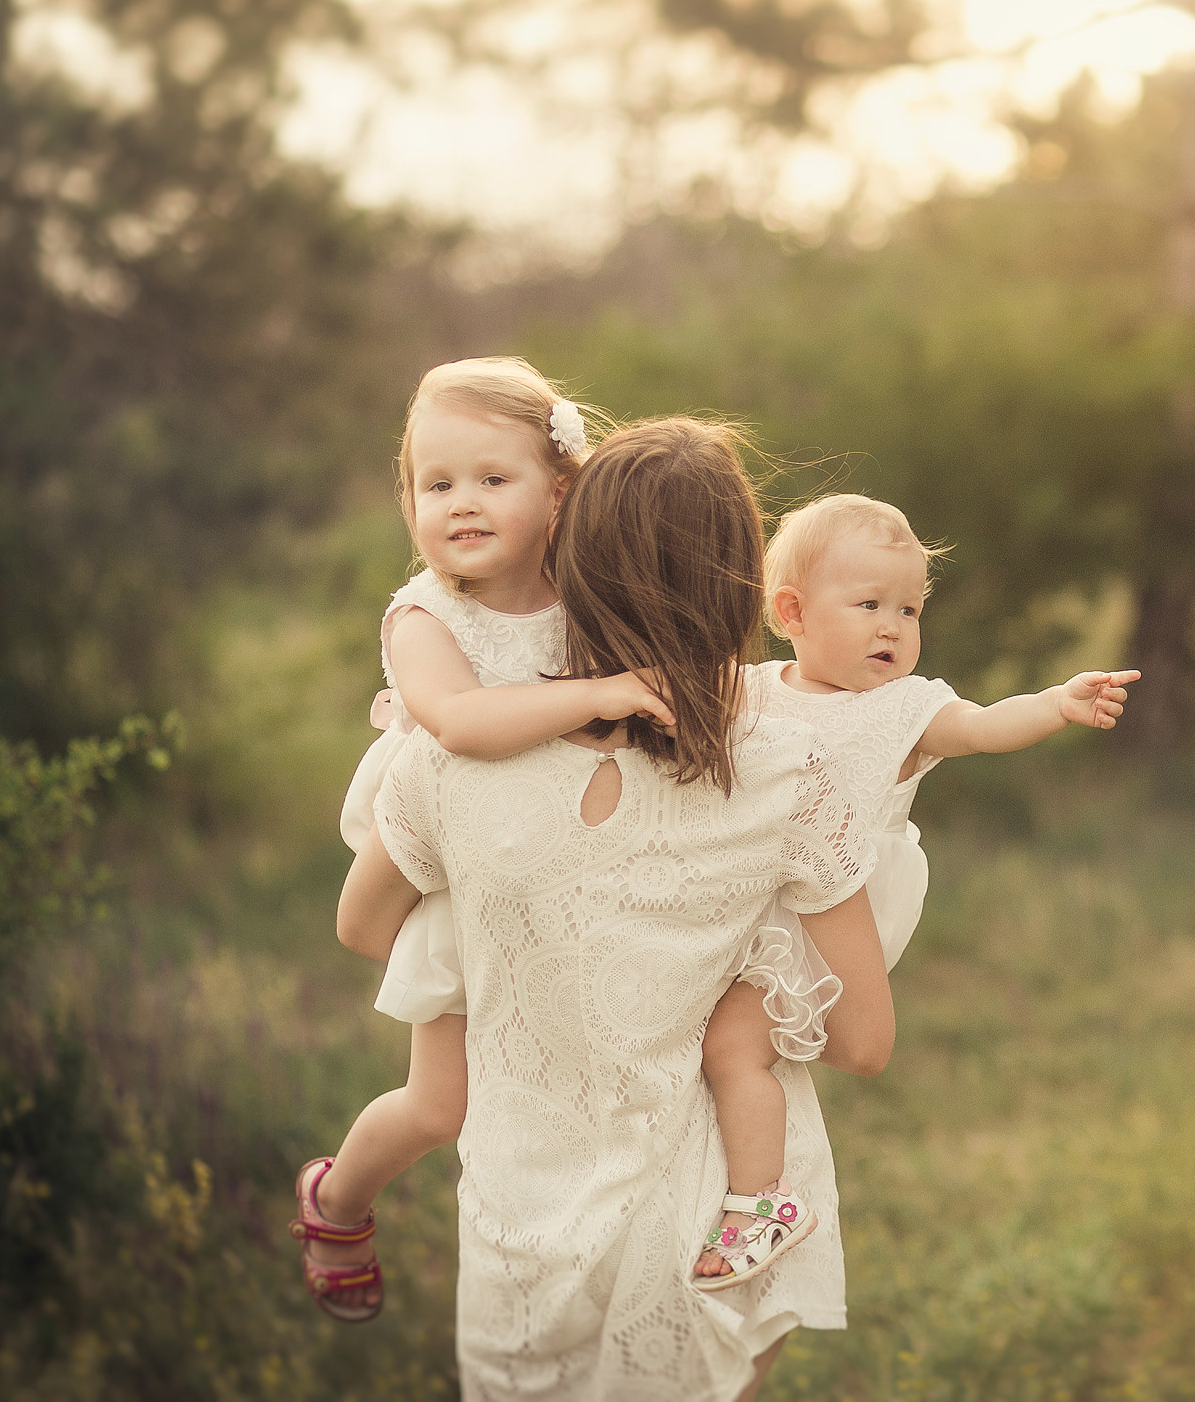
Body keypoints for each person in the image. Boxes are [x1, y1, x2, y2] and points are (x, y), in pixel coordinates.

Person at [333, 419, 894, 1400]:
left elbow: (364, 930)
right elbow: (862, 1042)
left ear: (567, 568)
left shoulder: (449, 760)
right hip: (716, 1214)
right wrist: (749, 965)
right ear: (743, 586)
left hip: (524, 1228)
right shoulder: (787, 773)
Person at [295, 357, 673, 1321]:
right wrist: (593, 695)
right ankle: (337, 1201)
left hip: (555, 872)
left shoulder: (585, 593)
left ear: (561, 488)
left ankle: (591, 1274)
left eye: (492, 479)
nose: (461, 503)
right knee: (443, 1104)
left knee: (568, 1091)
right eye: (437, 483)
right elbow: (460, 722)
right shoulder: (426, 613)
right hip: (451, 874)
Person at [691, 493, 1138, 1286]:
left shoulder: (905, 707)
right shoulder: (753, 689)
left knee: (733, 1047)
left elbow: (982, 724)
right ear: (792, 610)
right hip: (756, 893)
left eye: (908, 608)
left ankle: (762, 1200)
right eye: (869, 606)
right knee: (706, 1031)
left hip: (834, 915)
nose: (893, 627)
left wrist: (1053, 705)